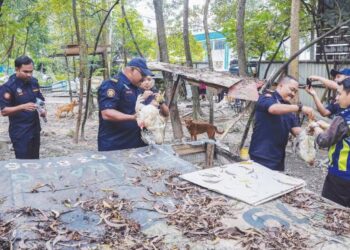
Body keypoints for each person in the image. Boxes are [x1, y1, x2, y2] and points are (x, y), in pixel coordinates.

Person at [249, 75, 315, 171]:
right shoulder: (266, 97)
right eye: (291, 89)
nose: (293, 94)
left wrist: (310, 131)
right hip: (261, 156)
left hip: (277, 159)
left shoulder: (287, 107)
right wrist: (300, 108)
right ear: (280, 85)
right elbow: (273, 109)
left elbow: (296, 130)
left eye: (295, 91)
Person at [98, 57, 153, 151]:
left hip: (137, 143)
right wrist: (133, 117)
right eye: (143, 74)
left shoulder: (138, 88)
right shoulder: (112, 84)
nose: (144, 78)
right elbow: (107, 113)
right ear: (132, 70)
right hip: (116, 145)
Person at [312, 77, 350, 207]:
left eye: (339, 93)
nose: (337, 98)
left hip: (341, 177)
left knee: (330, 212)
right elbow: (345, 133)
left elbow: (323, 141)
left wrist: (316, 127)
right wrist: (329, 127)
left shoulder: (344, 117)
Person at [0, 55, 46, 159]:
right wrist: (22, 107)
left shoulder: (34, 82)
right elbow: (4, 111)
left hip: (35, 129)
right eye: (25, 72)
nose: (29, 74)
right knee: (23, 163)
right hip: (20, 132)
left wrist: (43, 110)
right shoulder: (8, 87)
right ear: (17, 69)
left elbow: (40, 99)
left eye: (31, 71)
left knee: (35, 161)